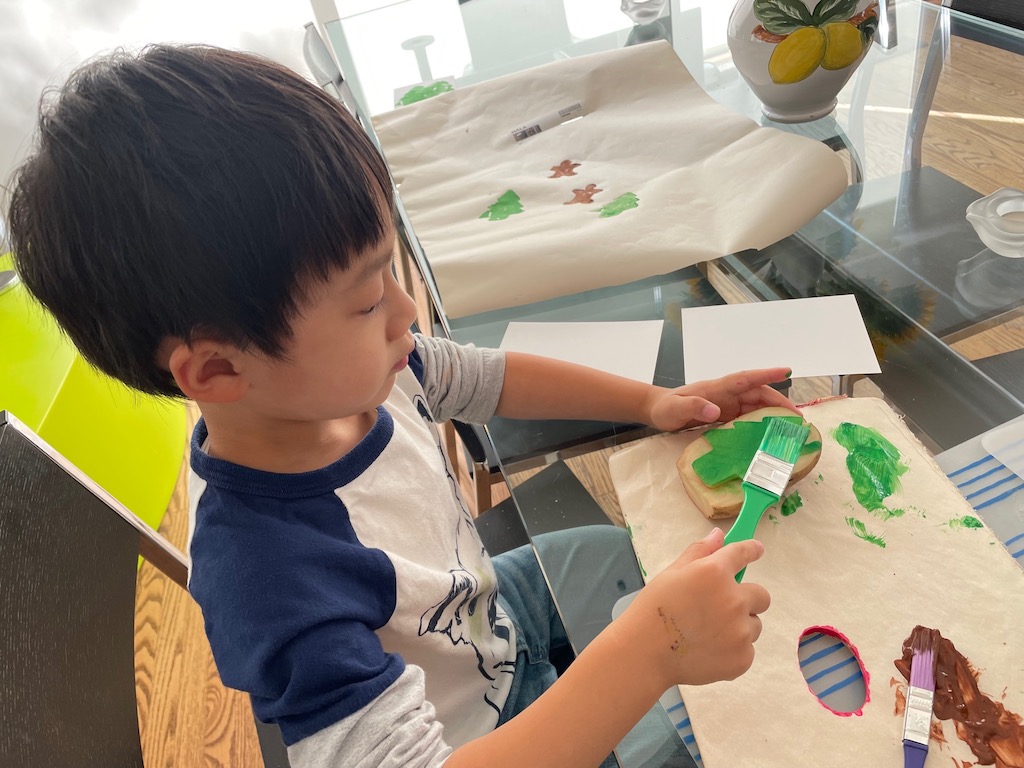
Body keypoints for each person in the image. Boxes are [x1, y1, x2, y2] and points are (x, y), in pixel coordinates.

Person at [6, 44, 788, 767]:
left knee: (639, 555)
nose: (404, 313)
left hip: (485, 613)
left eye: (392, 271)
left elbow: (489, 377)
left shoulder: (376, 370)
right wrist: (652, 650)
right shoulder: (268, 578)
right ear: (216, 370)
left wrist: (655, 401)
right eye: (363, 298)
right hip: (475, 733)